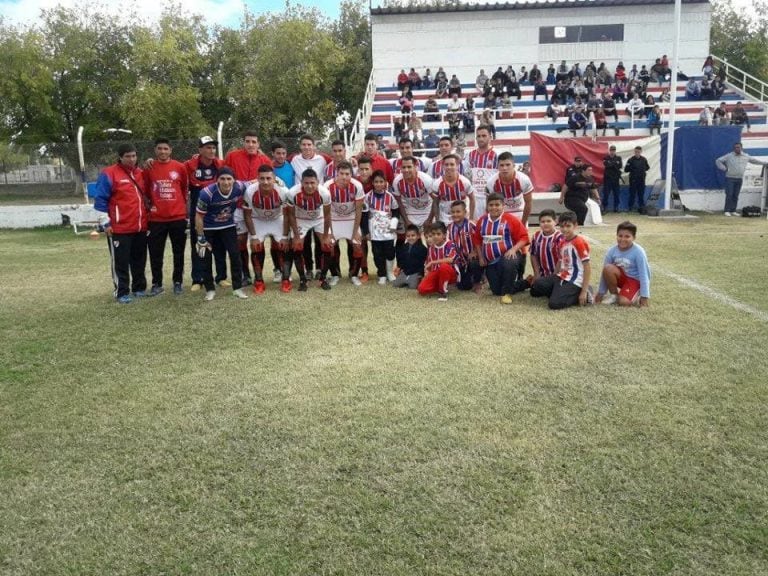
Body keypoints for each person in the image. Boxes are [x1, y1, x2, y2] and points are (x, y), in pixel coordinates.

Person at [93, 143, 149, 303]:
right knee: (120, 262)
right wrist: (106, 223)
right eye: (127, 156)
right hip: (119, 228)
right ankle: (121, 291)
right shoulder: (109, 173)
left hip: (140, 227)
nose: (131, 159)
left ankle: (139, 288)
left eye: (134, 156)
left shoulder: (140, 173)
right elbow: (100, 200)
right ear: (120, 157)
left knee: (139, 260)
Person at [225, 131, 273, 289]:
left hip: (257, 210)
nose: (251, 144)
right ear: (243, 142)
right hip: (238, 207)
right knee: (240, 242)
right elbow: (223, 173)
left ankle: (261, 275)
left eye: (254, 141)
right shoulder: (233, 156)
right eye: (248, 141)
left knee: (256, 243)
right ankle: (245, 274)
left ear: (258, 144)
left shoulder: (265, 160)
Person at [194, 167, 250, 301]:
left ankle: (237, 288)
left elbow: (254, 182)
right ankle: (210, 289)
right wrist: (200, 237)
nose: (226, 182)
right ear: (217, 180)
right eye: (222, 179)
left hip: (228, 225)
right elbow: (198, 217)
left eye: (229, 179)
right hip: (208, 228)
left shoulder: (239, 187)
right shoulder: (206, 193)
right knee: (205, 257)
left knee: (235, 255)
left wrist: (278, 181)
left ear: (234, 180)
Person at [143, 138, 188, 296]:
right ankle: (157, 283)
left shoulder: (180, 167)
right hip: (156, 219)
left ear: (170, 150)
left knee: (178, 252)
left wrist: (180, 208)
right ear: (155, 150)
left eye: (165, 149)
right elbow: (146, 191)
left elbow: (183, 189)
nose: (163, 151)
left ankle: (178, 282)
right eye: (159, 148)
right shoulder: (149, 167)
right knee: (156, 253)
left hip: (177, 218)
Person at [472, 193, 529, 305]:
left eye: (497, 204)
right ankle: (526, 283)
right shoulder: (482, 220)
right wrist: (481, 256)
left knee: (509, 262)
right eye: (491, 205)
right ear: (487, 206)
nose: (494, 207)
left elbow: (524, 238)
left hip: (507, 256)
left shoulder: (511, 219)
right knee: (496, 291)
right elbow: (477, 240)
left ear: (503, 205)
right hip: (491, 261)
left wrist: (513, 249)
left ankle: (507, 294)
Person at [185, 136, 225, 291]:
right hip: (198, 212)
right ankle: (197, 279)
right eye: (208, 147)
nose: (212, 150)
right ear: (200, 150)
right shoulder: (189, 166)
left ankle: (221, 277)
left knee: (219, 245)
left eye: (213, 147)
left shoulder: (220, 165)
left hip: (216, 212)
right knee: (199, 245)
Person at [242, 164, 290, 294]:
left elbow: (286, 215)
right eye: (262, 178)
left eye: (268, 178)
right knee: (257, 247)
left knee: (283, 246)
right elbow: (247, 216)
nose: (265, 182)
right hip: (259, 220)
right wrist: (253, 237)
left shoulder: (283, 191)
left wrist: (285, 237)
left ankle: (285, 279)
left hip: (277, 219)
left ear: (274, 178)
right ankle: (258, 281)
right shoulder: (250, 191)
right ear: (257, 178)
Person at [283, 168, 333, 291]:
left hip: (319, 218)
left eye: (312, 183)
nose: (310, 186)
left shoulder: (325, 193)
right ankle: (302, 279)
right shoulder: (292, 193)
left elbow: (327, 215)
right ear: (301, 182)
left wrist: (326, 235)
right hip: (301, 219)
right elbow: (290, 215)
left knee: (327, 245)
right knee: (297, 246)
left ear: (317, 182)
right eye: (306, 183)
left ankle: (323, 278)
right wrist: (296, 236)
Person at [325, 161, 365, 286]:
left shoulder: (357, 186)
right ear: (336, 174)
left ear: (351, 175)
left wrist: (355, 232)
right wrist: (329, 232)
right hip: (334, 218)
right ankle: (335, 275)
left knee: (357, 245)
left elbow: (359, 211)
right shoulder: (327, 186)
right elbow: (326, 212)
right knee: (329, 245)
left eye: (347, 174)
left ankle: (354, 275)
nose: (344, 177)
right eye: (341, 174)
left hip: (351, 218)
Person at [595, 221, 651, 307]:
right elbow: (605, 273)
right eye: (620, 236)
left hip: (635, 281)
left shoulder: (639, 252)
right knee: (608, 268)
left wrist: (645, 296)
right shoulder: (612, 251)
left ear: (634, 237)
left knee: (623, 302)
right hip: (623, 278)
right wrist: (600, 293)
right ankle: (614, 295)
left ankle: (637, 295)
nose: (622, 239)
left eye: (627, 236)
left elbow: (644, 275)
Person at [364, 170, 400, 284]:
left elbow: (396, 212)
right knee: (377, 254)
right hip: (375, 232)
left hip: (388, 231)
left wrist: (394, 224)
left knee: (390, 252)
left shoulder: (390, 197)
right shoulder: (368, 197)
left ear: (385, 183)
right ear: (372, 183)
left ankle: (389, 272)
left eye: (381, 181)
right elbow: (364, 215)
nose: (379, 184)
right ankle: (382, 274)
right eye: (376, 182)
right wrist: (366, 232)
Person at [716, 142, 767, 216]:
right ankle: (727, 210)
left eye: (738, 147)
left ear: (741, 148)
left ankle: (733, 210)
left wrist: (765, 163)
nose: (737, 149)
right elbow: (718, 160)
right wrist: (724, 168)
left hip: (739, 178)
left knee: (736, 195)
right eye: (735, 147)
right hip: (730, 178)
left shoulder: (746, 156)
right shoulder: (729, 156)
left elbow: (755, 161)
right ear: (734, 149)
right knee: (729, 194)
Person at [484, 151, 533, 225]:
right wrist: (491, 222)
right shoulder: (491, 182)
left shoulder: (524, 180)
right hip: (501, 213)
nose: (504, 168)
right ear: (498, 167)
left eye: (507, 165)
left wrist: (523, 223)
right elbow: (489, 204)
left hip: (519, 211)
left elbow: (528, 203)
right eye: (502, 165)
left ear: (513, 165)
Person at [392, 156, 434, 235]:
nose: (406, 170)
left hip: (427, 210)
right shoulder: (397, 181)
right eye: (403, 167)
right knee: (411, 239)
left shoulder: (426, 179)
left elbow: (435, 201)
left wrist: (429, 219)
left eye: (409, 167)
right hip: (410, 211)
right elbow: (399, 203)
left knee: (430, 239)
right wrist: (406, 220)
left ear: (415, 167)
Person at [418, 221, 458, 301]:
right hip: (437, 273)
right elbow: (428, 265)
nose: (435, 236)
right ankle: (442, 285)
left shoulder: (450, 244)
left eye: (438, 234)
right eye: (433, 234)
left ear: (444, 235)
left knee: (444, 267)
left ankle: (443, 292)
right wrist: (426, 276)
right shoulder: (431, 248)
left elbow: (450, 259)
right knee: (422, 289)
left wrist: (433, 262)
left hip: (451, 273)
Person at [528, 209, 564, 300]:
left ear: (555, 222)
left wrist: (554, 277)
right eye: (543, 221)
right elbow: (533, 255)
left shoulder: (560, 237)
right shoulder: (536, 236)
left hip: (559, 275)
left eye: (549, 221)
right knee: (534, 292)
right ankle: (530, 281)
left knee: (552, 294)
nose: (545, 224)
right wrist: (536, 273)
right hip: (543, 276)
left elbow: (562, 259)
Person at [447, 200, 482, 293]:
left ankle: (478, 282)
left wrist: (474, 251)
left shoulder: (472, 225)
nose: (455, 214)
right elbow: (448, 244)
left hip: (472, 257)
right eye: (453, 212)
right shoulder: (449, 228)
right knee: (464, 287)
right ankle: (457, 280)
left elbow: (480, 239)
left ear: (465, 212)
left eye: (458, 212)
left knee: (475, 262)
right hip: (459, 260)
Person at [431, 154, 475, 224]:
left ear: (457, 166)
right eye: (446, 165)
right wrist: (437, 220)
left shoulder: (465, 182)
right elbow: (435, 203)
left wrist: (471, 218)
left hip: (462, 218)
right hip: (444, 219)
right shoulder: (437, 183)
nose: (449, 167)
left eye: (452, 164)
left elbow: (472, 199)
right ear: (443, 166)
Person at [465, 125, 497, 216]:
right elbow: (465, 173)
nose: (480, 138)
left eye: (484, 136)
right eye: (478, 136)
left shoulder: (497, 154)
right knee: (475, 225)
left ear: (490, 137)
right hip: (475, 197)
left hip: (491, 197)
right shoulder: (470, 155)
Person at [393, 224, 428, 289]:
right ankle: (406, 279)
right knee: (395, 284)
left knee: (413, 287)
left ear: (418, 236)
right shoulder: (404, 247)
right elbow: (401, 259)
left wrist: (421, 274)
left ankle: (413, 280)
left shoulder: (423, 248)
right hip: (405, 271)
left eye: (413, 235)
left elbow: (422, 263)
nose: (410, 238)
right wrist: (399, 268)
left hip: (415, 272)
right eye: (408, 236)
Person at [624, 146, 650, 213]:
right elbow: (626, 169)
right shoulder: (630, 160)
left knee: (641, 195)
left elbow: (647, 167)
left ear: (641, 152)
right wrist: (632, 169)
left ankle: (642, 208)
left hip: (641, 180)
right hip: (633, 180)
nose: (637, 153)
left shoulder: (644, 159)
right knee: (632, 195)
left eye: (638, 152)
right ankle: (630, 208)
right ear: (634, 152)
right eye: (636, 152)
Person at [602, 145, 623, 213]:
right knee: (606, 194)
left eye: (613, 150)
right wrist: (614, 163)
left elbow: (620, 166)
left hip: (616, 179)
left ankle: (616, 208)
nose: (612, 152)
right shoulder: (605, 158)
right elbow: (606, 165)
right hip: (607, 179)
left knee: (616, 194)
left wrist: (611, 163)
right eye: (611, 150)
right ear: (609, 151)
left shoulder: (619, 158)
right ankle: (605, 208)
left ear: (615, 151)